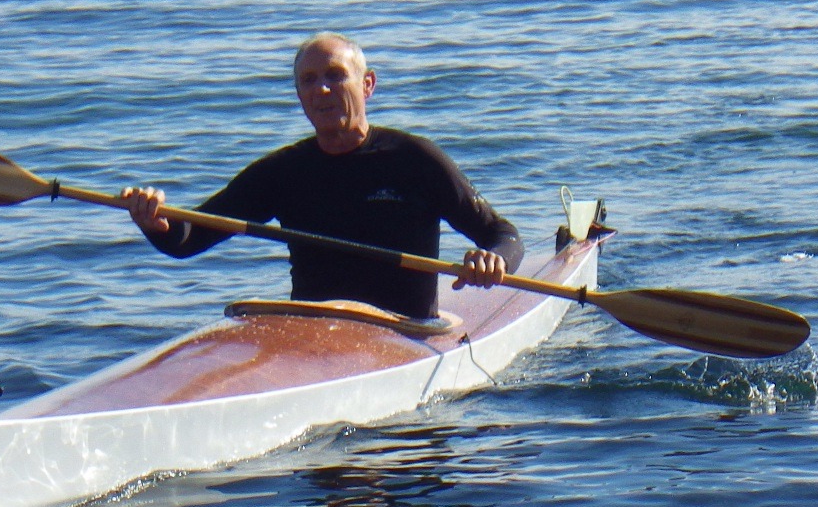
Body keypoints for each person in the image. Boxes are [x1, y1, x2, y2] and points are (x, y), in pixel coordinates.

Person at [122, 32, 523, 320]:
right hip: (313, 336)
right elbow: (189, 239)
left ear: (367, 85)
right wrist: (155, 224)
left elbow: (503, 235)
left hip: (405, 336)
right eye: (309, 81)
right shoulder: (282, 172)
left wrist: (493, 260)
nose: (323, 90)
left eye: (335, 75)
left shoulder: (415, 159)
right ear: (299, 95)